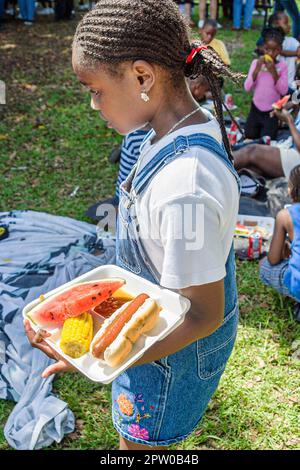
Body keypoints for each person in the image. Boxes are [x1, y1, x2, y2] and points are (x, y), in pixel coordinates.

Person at [24, 0, 241, 451]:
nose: (91, 103)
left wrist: (99, 358)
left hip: (169, 357)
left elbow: (203, 313)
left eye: (95, 89)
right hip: (156, 331)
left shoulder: (186, 185)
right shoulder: (166, 130)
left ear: (143, 77)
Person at [260, 165, 300, 317]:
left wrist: (284, 247)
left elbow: (273, 259)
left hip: (298, 285)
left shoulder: (286, 215)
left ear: (291, 190)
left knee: (263, 265)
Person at [244, 27, 288, 140]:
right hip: (255, 108)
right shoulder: (256, 63)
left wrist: (274, 73)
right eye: (268, 49)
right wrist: (256, 70)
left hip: (272, 112)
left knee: (268, 139)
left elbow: (283, 91)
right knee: (249, 135)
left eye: (275, 50)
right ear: (263, 47)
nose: (271, 53)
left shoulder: (282, 66)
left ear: (280, 49)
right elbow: (247, 87)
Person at [233, 105, 300, 179]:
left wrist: (289, 120)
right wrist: (293, 104)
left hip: (297, 159)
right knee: (250, 167)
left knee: (252, 151)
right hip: (293, 148)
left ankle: (220, 164)